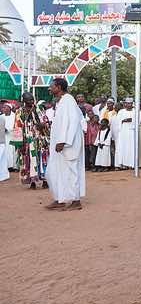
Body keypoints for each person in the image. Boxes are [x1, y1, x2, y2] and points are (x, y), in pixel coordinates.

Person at [44, 78, 85, 211]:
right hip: (59, 145)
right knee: (54, 171)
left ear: (59, 87)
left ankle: (76, 201)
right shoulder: (61, 101)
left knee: (71, 172)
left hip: (68, 144)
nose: (49, 89)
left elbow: (72, 122)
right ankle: (60, 198)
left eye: (52, 86)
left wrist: (63, 141)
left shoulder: (68, 100)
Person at [16, 92, 49, 189]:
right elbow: (17, 127)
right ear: (24, 101)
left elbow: (46, 122)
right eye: (29, 100)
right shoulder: (20, 112)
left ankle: (45, 181)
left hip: (40, 139)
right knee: (29, 160)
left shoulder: (39, 109)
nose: (31, 101)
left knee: (42, 159)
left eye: (32, 99)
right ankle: (32, 182)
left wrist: (43, 125)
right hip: (27, 140)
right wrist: (19, 143)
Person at [114, 98, 136, 169]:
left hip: (131, 131)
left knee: (131, 148)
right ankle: (122, 164)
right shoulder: (121, 111)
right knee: (122, 147)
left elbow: (137, 121)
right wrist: (124, 120)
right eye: (127, 103)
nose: (128, 105)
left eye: (130, 103)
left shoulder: (135, 111)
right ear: (125, 104)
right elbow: (118, 121)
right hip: (123, 131)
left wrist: (131, 120)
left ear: (132, 104)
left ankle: (131, 164)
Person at [3, 103, 17, 171]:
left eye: (5, 107)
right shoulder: (1, 116)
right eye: (3, 108)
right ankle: (6, 166)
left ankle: (13, 166)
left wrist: (7, 129)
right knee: (5, 151)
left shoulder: (14, 116)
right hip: (3, 137)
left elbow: (15, 126)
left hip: (12, 136)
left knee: (12, 152)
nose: (3, 109)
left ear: (9, 108)